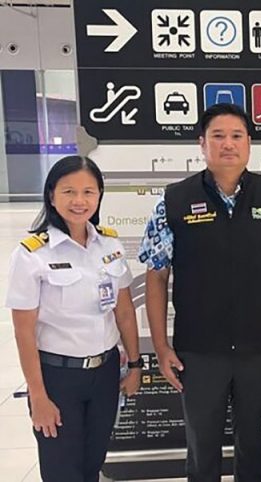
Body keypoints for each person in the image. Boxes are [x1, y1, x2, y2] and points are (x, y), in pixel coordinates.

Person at [138, 103, 261, 482]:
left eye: (236, 136)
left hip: (259, 348)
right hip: (198, 350)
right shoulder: (174, 201)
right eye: (217, 136)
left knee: (254, 441)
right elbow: (156, 275)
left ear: (249, 142)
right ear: (202, 144)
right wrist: (161, 346)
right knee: (202, 446)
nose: (228, 144)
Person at [5, 155, 141, 482]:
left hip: (105, 373)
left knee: (93, 463)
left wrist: (135, 366)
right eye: (69, 192)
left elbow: (124, 312)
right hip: (57, 377)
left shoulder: (109, 244)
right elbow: (24, 332)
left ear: (99, 196)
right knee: (62, 470)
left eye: (88, 192)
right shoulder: (32, 254)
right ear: (52, 196)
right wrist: (38, 396)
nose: (79, 201)